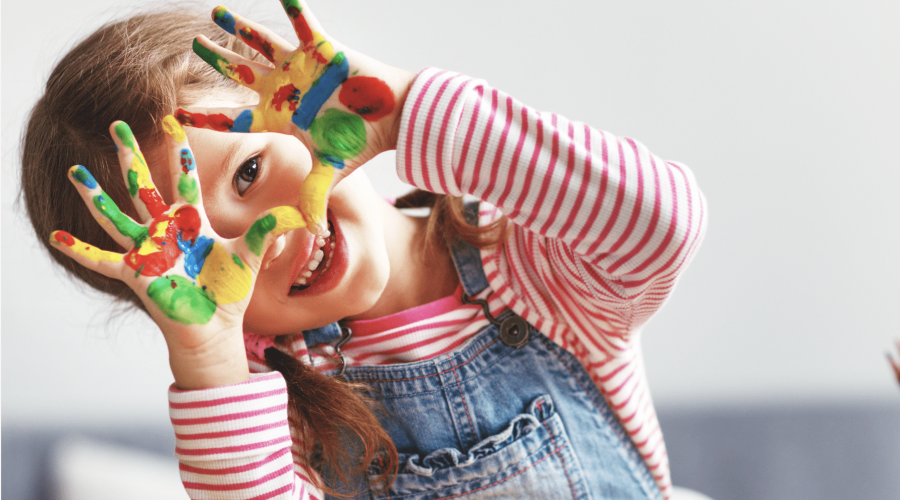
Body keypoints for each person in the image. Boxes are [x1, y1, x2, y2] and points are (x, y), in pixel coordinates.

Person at [20, 1, 707, 499]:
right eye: (199, 252)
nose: (270, 234)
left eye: (249, 172)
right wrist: (208, 361)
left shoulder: (528, 265)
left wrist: (402, 109)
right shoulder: (273, 403)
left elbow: (659, 223)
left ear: (307, 111)